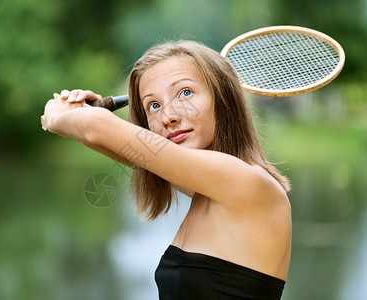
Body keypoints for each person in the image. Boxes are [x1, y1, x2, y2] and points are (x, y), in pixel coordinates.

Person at [42, 40, 292, 299]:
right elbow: (126, 151)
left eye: (185, 93)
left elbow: (94, 129)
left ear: (222, 96)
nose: (168, 116)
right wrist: (83, 114)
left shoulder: (243, 181)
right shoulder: (210, 189)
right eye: (153, 105)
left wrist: (59, 114)